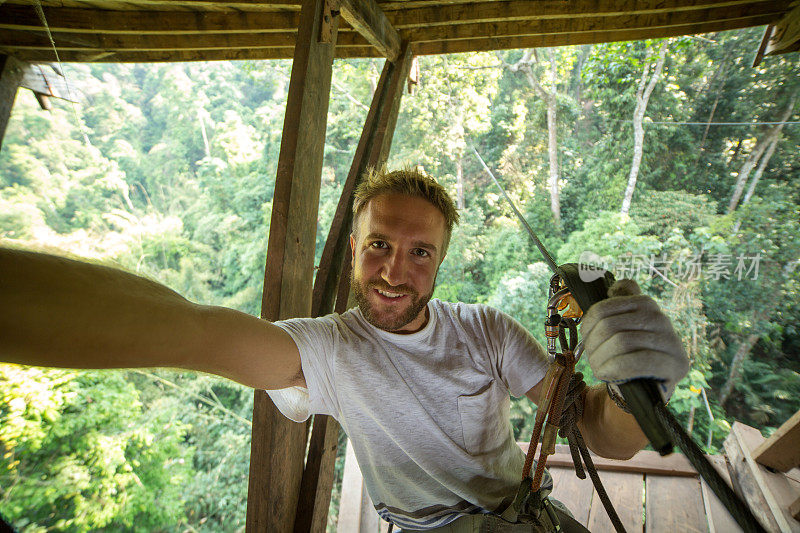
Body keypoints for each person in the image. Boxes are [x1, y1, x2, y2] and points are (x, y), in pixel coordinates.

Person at [0, 168, 688, 532]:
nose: (395, 270)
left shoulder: (488, 331)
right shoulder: (324, 349)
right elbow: (191, 329)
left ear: (440, 263)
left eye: (420, 252)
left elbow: (600, 430)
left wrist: (640, 385)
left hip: (519, 508)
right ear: (355, 248)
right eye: (380, 245)